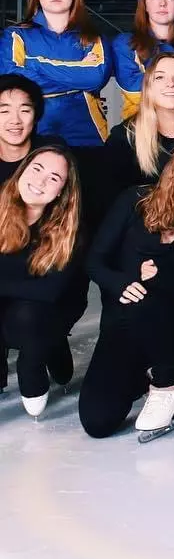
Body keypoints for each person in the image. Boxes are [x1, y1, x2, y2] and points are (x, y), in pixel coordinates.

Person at [79, 138, 174, 439]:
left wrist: (159, 276)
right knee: (98, 421)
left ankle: (167, 382)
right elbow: (94, 260)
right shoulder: (136, 199)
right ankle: (142, 373)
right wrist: (123, 280)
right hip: (124, 322)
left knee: (151, 296)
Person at [0, 145, 82, 417]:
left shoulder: (70, 229)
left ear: (61, 191)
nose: (41, 181)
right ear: (22, 171)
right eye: (36, 169)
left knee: (29, 315)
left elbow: (51, 290)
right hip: (7, 304)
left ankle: (40, 353)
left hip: (50, 308)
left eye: (54, 178)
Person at [0, 0, 112, 150]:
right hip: (33, 128)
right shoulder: (15, 35)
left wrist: (33, 63)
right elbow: (12, 79)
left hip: (87, 131)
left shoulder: (92, 36)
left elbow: (95, 77)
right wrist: (79, 76)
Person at [103, 53, 174, 202]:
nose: (170, 83)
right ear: (148, 87)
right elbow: (112, 200)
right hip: (143, 220)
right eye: (160, 77)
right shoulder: (124, 137)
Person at [0, 75, 59, 185]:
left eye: (25, 111)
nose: (15, 120)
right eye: (4, 111)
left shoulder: (52, 153)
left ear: (35, 116)